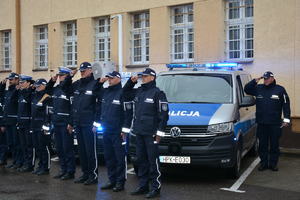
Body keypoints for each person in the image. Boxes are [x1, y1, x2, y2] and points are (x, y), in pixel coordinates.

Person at [123, 68, 169, 198]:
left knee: (152, 161)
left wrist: (159, 133)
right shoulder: (139, 91)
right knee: (141, 161)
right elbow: (125, 93)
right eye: (142, 76)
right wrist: (131, 82)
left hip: (151, 134)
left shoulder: (158, 93)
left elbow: (164, 115)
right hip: (139, 132)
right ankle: (143, 186)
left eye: (145, 76)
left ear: (152, 77)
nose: (143, 78)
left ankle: (155, 187)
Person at [244, 71, 291, 171]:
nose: (265, 80)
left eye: (267, 78)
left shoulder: (280, 89)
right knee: (262, 145)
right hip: (262, 123)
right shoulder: (258, 88)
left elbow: (286, 105)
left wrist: (286, 119)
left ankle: (273, 164)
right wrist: (255, 80)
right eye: (264, 78)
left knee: (274, 145)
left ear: (272, 78)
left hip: (275, 123)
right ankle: (264, 163)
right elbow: (247, 89)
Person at [71, 62, 101, 185]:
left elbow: (99, 106)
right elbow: (64, 88)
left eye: (84, 70)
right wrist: (70, 76)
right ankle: (85, 174)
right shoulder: (78, 84)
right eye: (81, 71)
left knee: (90, 151)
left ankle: (93, 176)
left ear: (90, 70)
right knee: (81, 151)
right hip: (78, 122)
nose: (82, 73)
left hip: (89, 124)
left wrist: (96, 123)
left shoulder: (96, 84)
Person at [97, 71, 127, 192]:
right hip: (106, 130)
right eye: (108, 78)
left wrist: (124, 130)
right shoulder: (106, 92)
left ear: (118, 79)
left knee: (119, 158)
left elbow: (127, 113)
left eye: (112, 78)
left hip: (117, 131)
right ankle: (112, 180)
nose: (109, 80)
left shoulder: (122, 93)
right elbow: (95, 93)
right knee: (109, 157)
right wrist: (100, 83)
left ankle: (120, 182)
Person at [48, 67, 76, 180]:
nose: (60, 78)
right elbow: (47, 91)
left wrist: (70, 123)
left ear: (67, 76)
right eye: (59, 76)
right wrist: (52, 81)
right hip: (56, 122)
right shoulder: (56, 89)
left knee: (67, 148)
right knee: (59, 148)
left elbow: (73, 107)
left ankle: (70, 171)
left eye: (62, 76)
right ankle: (63, 169)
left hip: (65, 124)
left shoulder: (70, 89)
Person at [31, 78, 53, 175]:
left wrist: (46, 125)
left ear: (44, 85)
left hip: (43, 126)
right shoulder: (35, 96)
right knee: (38, 147)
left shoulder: (47, 97)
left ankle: (46, 167)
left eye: (39, 86)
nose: (37, 88)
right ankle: (40, 166)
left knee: (44, 147)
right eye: (36, 86)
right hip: (34, 125)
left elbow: (48, 113)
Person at [2, 73, 22, 169]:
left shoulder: (18, 91)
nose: (10, 81)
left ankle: (18, 161)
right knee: (10, 143)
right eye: (9, 79)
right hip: (7, 122)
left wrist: (16, 89)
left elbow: (14, 101)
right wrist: (2, 85)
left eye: (12, 79)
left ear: (17, 80)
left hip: (14, 122)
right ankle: (14, 161)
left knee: (16, 143)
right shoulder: (8, 92)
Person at [17, 75, 35, 173]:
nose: (20, 84)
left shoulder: (31, 93)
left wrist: (26, 90)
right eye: (20, 82)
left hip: (28, 123)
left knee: (29, 145)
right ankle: (25, 163)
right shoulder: (21, 93)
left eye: (22, 82)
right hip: (21, 123)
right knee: (23, 145)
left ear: (28, 83)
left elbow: (29, 102)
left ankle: (30, 165)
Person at [0, 79, 7, 166]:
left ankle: (2, 159)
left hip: (2, 122)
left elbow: (3, 112)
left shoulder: (3, 97)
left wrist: (2, 124)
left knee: (2, 143)